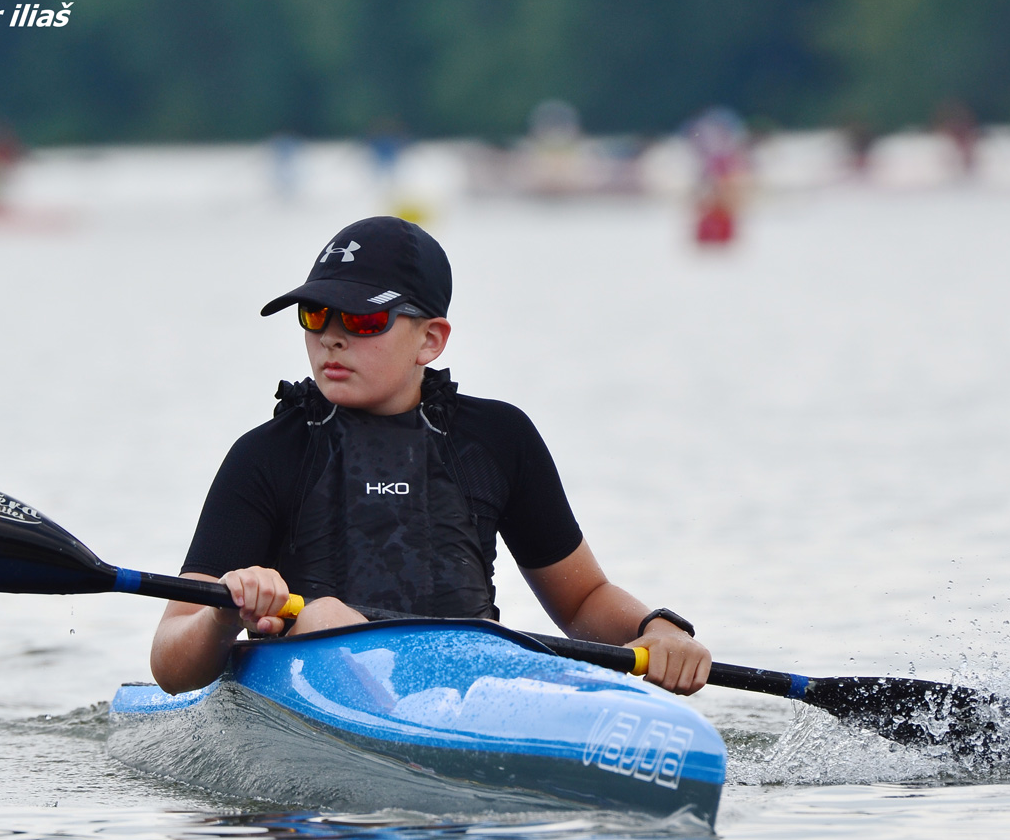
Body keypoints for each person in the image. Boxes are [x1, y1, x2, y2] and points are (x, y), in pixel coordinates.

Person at [150, 216, 712, 697]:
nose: (332, 338)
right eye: (316, 315)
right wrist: (224, 613)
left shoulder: (497, 438)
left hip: (470, 682)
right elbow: (170, 662)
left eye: (363, 319)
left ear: (431, 340)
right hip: (310, 690)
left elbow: (584, 599)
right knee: (324, 615)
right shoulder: (267, 454)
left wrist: (657, 628)